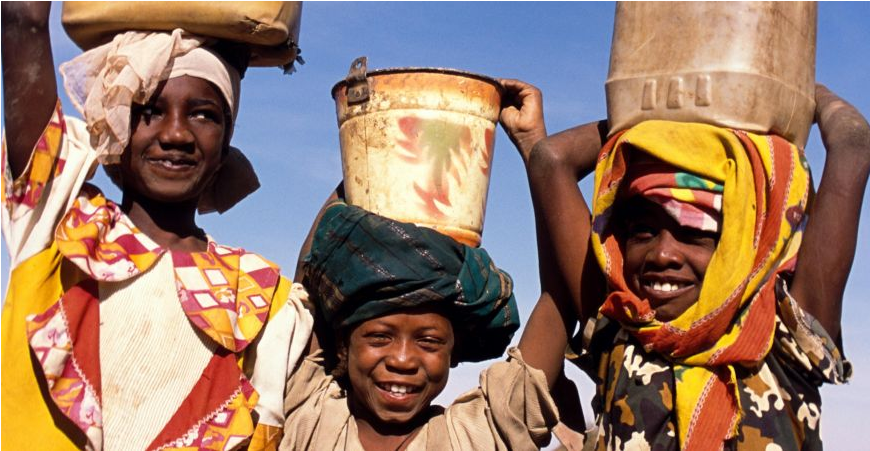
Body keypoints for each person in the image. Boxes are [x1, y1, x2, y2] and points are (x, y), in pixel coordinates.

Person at [1, 3, 312, 449]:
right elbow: (23, 22)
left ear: (227, 142)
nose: (176, 134)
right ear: (115, 126)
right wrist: (26, 19)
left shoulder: (260, 297)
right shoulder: (58, 227)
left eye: (204, 114)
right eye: (149, 109)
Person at [515, 77, 868, 450]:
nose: (662, 254)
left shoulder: (785, 346)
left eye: (695, 234)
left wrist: (791, 90)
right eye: (643, 232)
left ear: (738, 245)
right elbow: (551, 160)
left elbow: (853, 146)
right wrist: (669, 101)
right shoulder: (619, 333)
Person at [277, 79, 587, 451]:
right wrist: (371, 151)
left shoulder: (477, 434)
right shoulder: (310, 417)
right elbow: (308, 285)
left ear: (454, 352)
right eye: (379, 337)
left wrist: (534, 144)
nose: (404, 360)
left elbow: (559, 301)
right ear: (343, 346)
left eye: (429, 341)